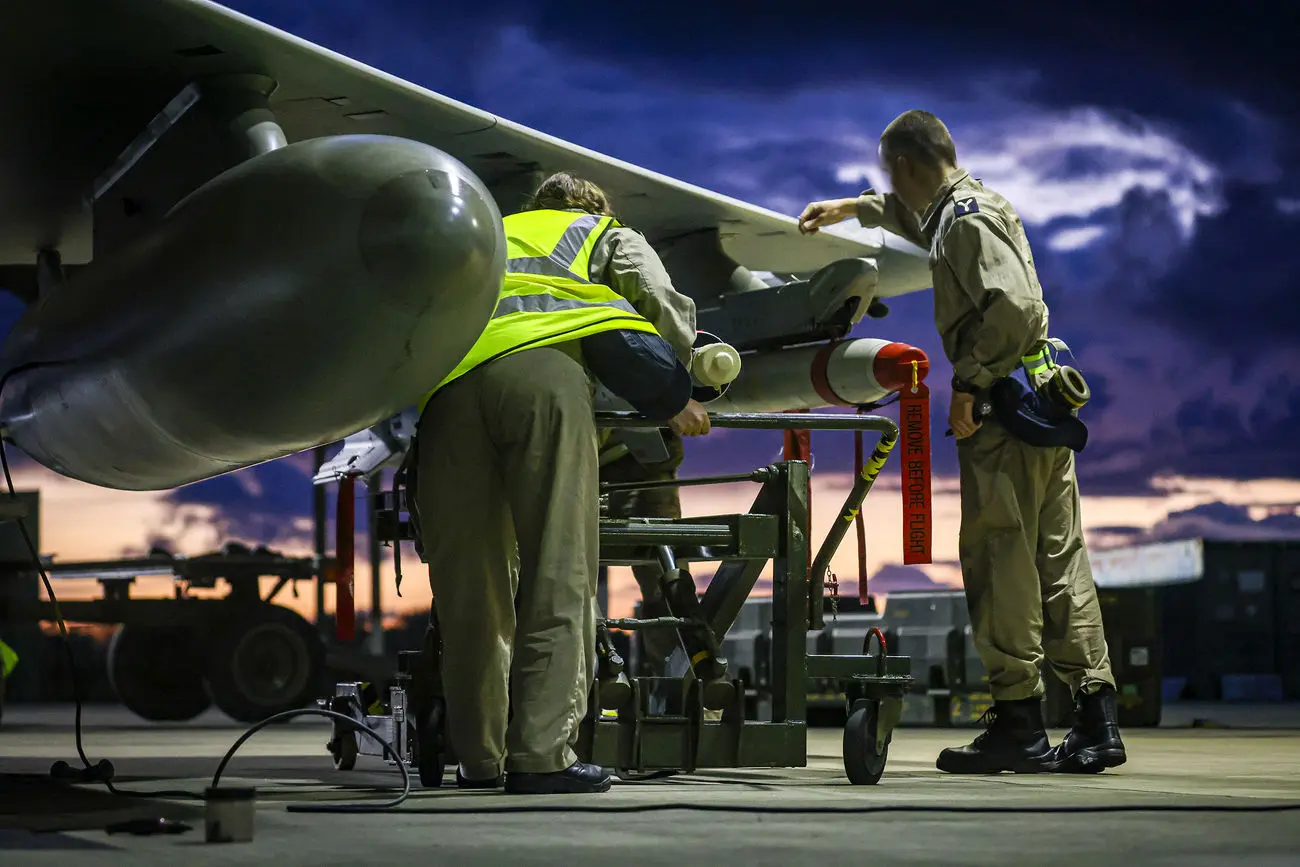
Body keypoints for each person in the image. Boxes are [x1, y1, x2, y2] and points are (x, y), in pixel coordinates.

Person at [797, 110, 1126, 775]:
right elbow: (906, 215)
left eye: (892, 173)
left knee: (1000, 558)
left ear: (909, 165)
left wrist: (969, 384)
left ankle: (1019, 721)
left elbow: (1016, 307)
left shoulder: (965, 221)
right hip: (1038, 401)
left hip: (1004, 412)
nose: (891, 186)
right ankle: (1095, 718)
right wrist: (850, 209)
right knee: (1057, 558)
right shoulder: (969, 205)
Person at [412, 171, 709, 795]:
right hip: (542, 382)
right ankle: (541, 756)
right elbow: (660, 306)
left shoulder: (489, 231)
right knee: (558, 564)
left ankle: (480, 758)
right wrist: (685, 384)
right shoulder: (602, 233)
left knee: (469, 587)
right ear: (593, 206)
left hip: (447, 394)